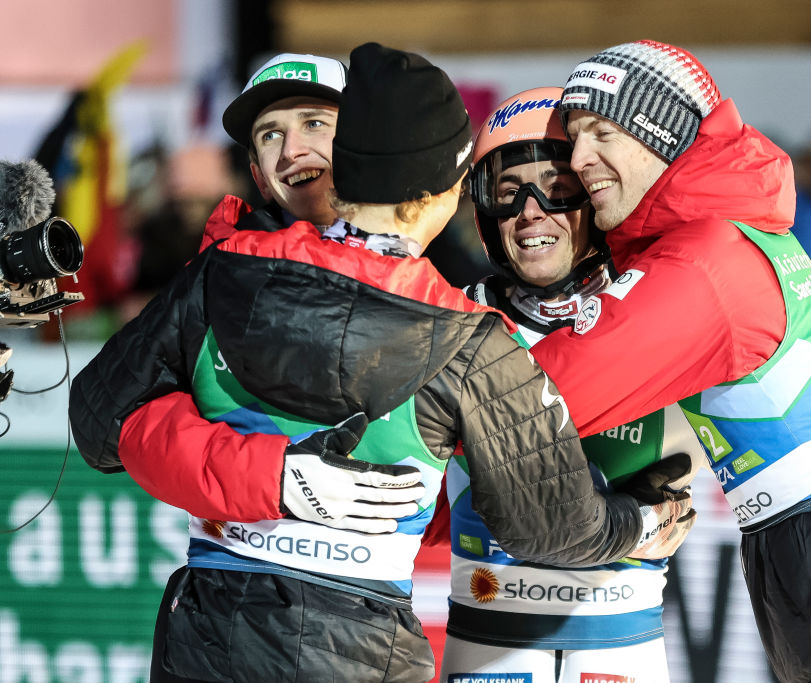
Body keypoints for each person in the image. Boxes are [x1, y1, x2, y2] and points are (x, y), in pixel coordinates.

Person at [69, 45, 683, 683]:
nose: (293, 150)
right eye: (271, 134)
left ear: (350, 160)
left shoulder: (217, 274)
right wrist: (634, 520)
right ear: (441, 192)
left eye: (314, 125)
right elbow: (551, 527)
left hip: (209, 632)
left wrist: (266, 470)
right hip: (361, 645)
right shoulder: (473, 340)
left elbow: (94, 417)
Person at [512, 40, 811, 682]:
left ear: (661, 135)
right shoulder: (725, 236)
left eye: (602, 131)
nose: (579, 160)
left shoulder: (701, 261)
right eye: (574, 138)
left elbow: (537, 397)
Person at [438, 87, 702, 683]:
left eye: (558, 190)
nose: (532, 210)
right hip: (489, 633)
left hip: (622, 639)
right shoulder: (451, 319)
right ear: (485, 217)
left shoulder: (661, 307)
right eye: (509, 194)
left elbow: (760, 403)